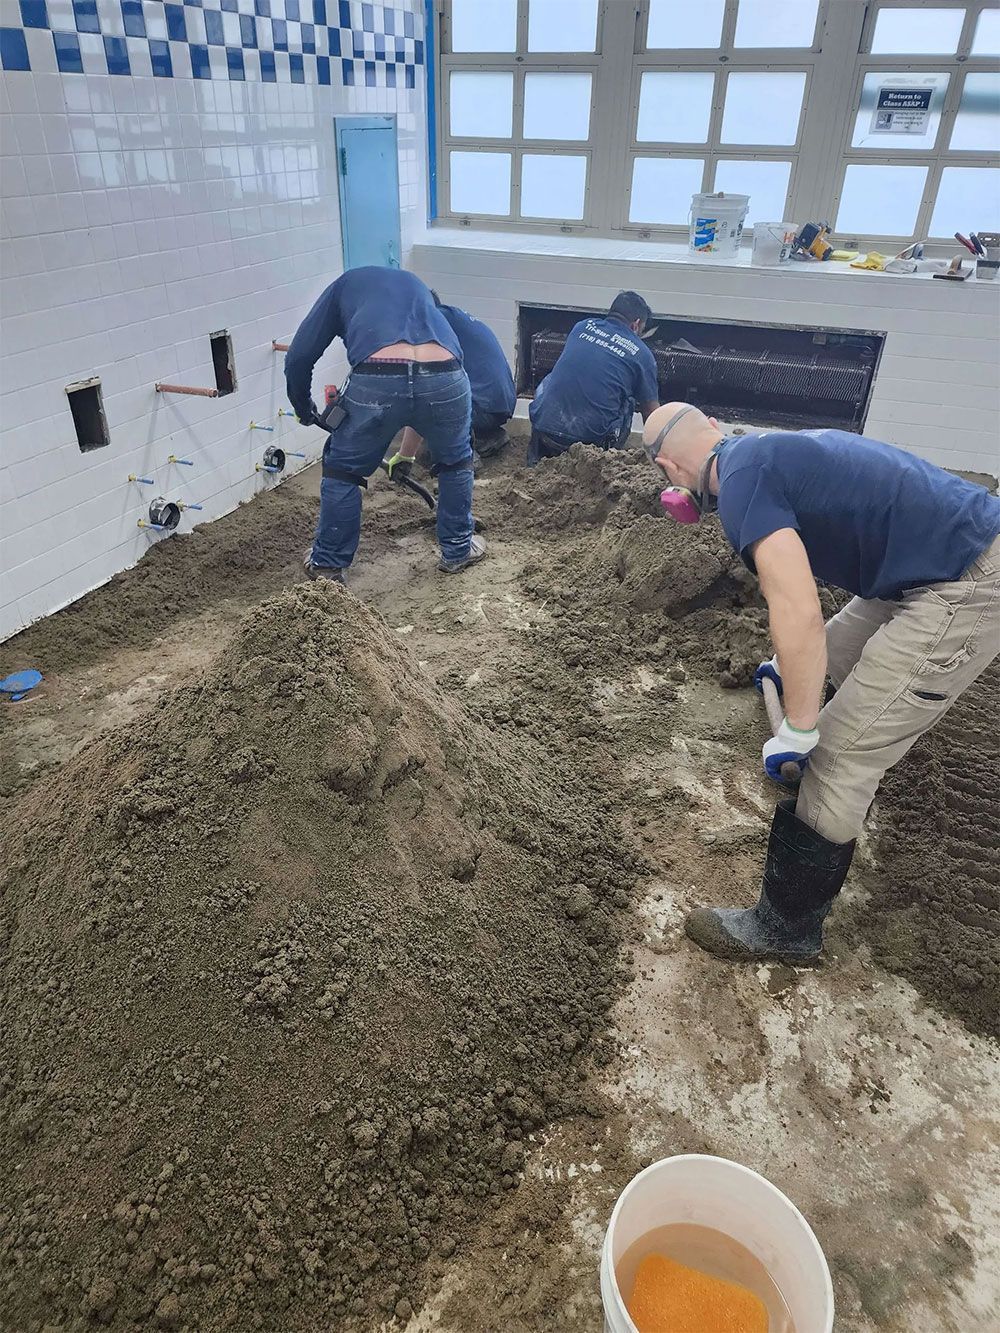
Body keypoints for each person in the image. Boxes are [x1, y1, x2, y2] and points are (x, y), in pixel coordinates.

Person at [643, 402, 1000, 964]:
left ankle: (786, 930)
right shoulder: (754, 451)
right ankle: (808, 714)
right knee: (829, 651)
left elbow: (798, 610)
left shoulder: (738, 485)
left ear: (669, 469)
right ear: (711, 424)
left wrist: (800, 728)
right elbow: (817, 633)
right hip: (933, 557)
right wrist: (789, 671)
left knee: (840, 753)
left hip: (965, 581)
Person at [284, 266, 485, 582]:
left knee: (343, 469)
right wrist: (406, 454)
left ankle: (328, 564)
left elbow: (298, 357)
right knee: (456, 461)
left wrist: (303, 407)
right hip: (446, 374)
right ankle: (458, 548)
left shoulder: (341, 287)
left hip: (379, 375)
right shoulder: (416, 288)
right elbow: (419, 392)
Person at [527, 291, 661, 465]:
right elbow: (651, 414)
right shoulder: (642, 353)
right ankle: (605, 461)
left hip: (546, 433)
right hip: (589, 443)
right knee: (628, 401)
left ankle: (535, 458)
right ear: (636, 325)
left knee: (549, 380)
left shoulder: (582, 326)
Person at [432, 293, 516, 458]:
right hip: (500, 404)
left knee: (431, 405)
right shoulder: (453, 317)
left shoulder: (436, 321)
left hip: (484, 409)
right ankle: (489, 437)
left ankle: (465, 460)